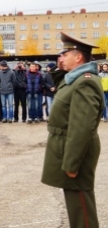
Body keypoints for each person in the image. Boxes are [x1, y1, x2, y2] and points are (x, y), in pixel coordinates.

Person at [41, 32, 104, 227]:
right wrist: (60, 68)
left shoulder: (85, 82)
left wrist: (72, 163)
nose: (60, 58)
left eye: (65, 54)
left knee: (81, 210)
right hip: (68, 149)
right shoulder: (75, 80)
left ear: (78, 57)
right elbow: (62, 86)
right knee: (76, 207)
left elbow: (82, 128)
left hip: (76, 152)